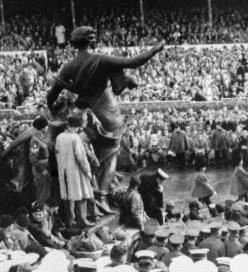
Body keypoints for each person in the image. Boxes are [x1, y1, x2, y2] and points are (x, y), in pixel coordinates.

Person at [45, 25, 165, 206]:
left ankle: (91, 186)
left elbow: (51, 96)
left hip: (83, 112)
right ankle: (101, 193)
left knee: (88, 153)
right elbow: (134, 61)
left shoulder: (68, 67)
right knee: (111, 154)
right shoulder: (101, 59)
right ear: (91, 41)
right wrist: (155, 49)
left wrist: (55, 112)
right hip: (107, 113)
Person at [55, 113, 95, 228]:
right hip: (76, 172)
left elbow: (57, 154)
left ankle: (70, 222)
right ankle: (82, 220)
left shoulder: (59, 137)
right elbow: (81, 157)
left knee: (69, 198)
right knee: (81, 196)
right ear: (76, 126)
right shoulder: (75, 137)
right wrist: (88, 172)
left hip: (63, 171)